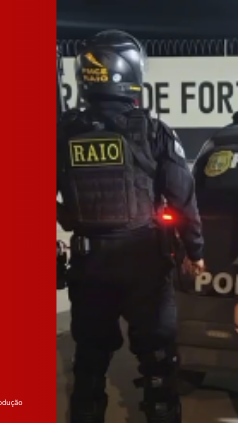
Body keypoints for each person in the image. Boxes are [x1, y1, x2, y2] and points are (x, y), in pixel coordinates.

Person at [56, 30, 205, 423]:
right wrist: (195, 251)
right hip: (145, 264)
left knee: (89, 364)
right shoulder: (153, 130)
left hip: (89, 264)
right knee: (158, 365)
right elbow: (182, 196)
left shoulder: (63, 131)